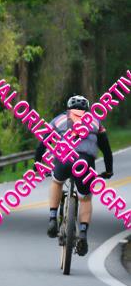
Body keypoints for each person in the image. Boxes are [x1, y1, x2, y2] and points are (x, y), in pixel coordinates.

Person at [35, 95, 113, 256]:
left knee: (57, 182)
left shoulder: (58, 120)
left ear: (68, 108)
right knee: (85, 198)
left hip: (64, 159)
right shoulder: (96, 123)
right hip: (85, 163)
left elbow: (42, 145)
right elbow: (106, 150)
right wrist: (108, 170)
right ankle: (83, 234)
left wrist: (37, 165)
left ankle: (52, 218)